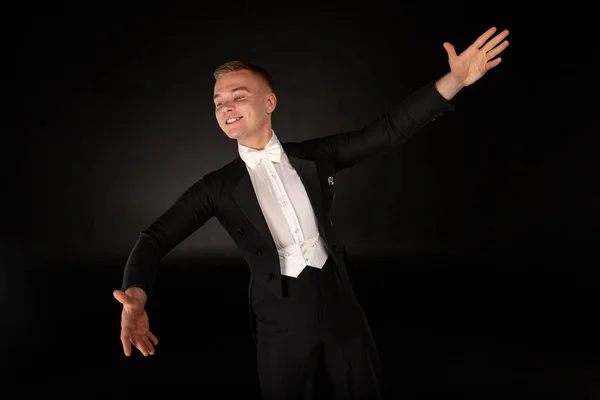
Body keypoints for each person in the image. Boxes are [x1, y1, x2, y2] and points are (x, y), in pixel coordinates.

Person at [113, 26, 510, 399]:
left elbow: (389, 129)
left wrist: (454, 80)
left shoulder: (318, 156)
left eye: (238, 96)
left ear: (269, 102)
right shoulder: (215, 188)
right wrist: (135, 294)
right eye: (219, 102)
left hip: (339, 301)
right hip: (280, 315)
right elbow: (156, 237)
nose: (226, 107)